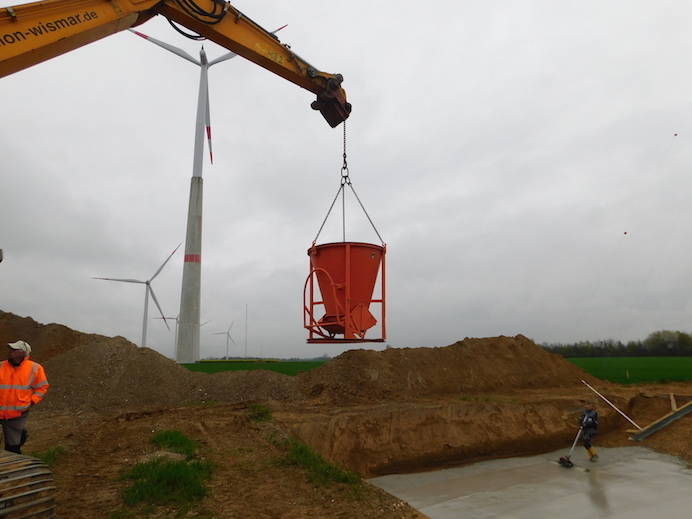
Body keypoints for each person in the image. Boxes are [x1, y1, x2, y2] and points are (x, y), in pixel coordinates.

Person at [0, 341, 49, 454]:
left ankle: (12, 469)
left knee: (13, 447)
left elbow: (42, 387)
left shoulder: (35, 368)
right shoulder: (1, 366)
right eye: (11, 349)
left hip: (17, 414)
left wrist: (32, 401)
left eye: (15, 350)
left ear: (24, 353)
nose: (11, 352)